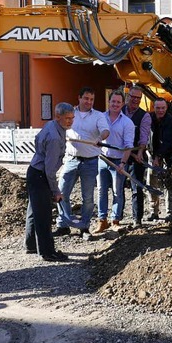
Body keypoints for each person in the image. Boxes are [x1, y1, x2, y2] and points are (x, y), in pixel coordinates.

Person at [54, 87, 110, 241]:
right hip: (71, 159)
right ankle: (63, 225)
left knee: (88, 198)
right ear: (79, 98)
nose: (89, 102)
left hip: (90, 162)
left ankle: (84, 227)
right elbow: (59, 126)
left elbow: (105, 130)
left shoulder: (98, 116)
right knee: (62, 193)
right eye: (86, 98)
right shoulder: (70, 112)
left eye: (91, 99)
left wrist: (100, 138)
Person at [25, 102, 75, 261]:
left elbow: (36, 139)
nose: (70, 121)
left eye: (72, 118)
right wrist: (56, 191)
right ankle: (48, 252)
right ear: (58, 116)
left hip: (34, 172)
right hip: (40, 175)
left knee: (34, 211)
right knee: (44, 216)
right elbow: (50, 170)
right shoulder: (54, 138)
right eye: (67, 118)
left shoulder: (52, 126)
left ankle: (31, 244)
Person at [95, 90, 134, 233]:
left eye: (118, 102)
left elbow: (128, 145)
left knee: (117, 192)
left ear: (122, 104)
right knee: (101, 191)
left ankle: (115, 220)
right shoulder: (100, 118)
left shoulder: (127, 123)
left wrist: (123, 163)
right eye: (113, 101)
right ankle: (102, 220)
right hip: (102, 159)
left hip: (118, 161)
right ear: (109, 102)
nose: (115, 104)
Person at [123, 86, 152, 227]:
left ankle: (137, 219)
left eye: (138, 98)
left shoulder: (144, 116)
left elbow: (144, 136)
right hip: (119, 154)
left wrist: (140, 153)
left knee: (137, 187)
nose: (135, 100)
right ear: (128, 96)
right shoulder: (119, 112)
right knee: (118, 187)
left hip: (136, 155)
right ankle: (117, 218)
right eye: (133, 97)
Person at [148, 98, 172, 221]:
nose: (160, 110)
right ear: (154, 108)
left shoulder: (170, 121)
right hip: (151, 155)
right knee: (151, 184)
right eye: (158, 108)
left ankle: (170, 213)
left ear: (166, 108)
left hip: (167, 156)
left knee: (168, 185)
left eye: (163, 108)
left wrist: (158, 157)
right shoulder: (149, 118)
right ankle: (153, 211)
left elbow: (168, 141)